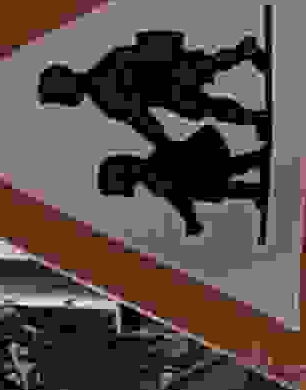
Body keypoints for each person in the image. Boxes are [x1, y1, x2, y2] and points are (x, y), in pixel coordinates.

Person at [40, 28, 272, 150]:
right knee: (210, 74)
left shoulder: (104, 95)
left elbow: (140, 118)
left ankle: (255, 112)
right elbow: (140, 116)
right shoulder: (104, 70)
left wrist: (163, 143)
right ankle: (246, 57)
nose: (64, 100)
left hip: (169, 83)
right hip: (169, 81)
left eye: (59, 96)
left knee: (209, 99)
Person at [97, 119, 272, 241]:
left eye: (119, 187)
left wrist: (190, 220)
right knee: (211, 182)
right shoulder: (152, 173)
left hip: (207, 149)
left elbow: (179, 198)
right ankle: (256, 171)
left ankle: (255, 182)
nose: (123, 191)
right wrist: (190, 220)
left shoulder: (153, 173)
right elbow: (178, 197)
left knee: (210, 184)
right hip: (207, 148)